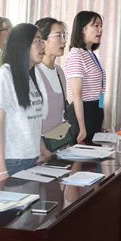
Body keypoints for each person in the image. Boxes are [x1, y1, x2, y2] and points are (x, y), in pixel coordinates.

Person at [0, 23, 49, 184]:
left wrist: (42, 151)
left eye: (42, 41)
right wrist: (2, 170)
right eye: (37, 40)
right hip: (11, 162)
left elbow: (31, 122)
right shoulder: (4, 76)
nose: (43, 45)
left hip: (31, 159)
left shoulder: (30, 76)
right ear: (22, 44)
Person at [64, 11, 106, 143]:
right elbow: (77, 96)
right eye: (96, 25)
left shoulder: (90, 54)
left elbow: (100, 91)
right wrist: (82, 128)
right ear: (83, 29)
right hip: (82, 116)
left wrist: (100, 119)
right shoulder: (76, 55)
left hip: (94, 113)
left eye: (101, 26)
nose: (100, 30)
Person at [35, 18, 70, 148]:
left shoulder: (59, 71)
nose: (64, 41)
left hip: (58, 142)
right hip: (40, 145)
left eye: (64, 36)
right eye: (58, 35)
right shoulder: (34, 72)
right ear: (43, 41)